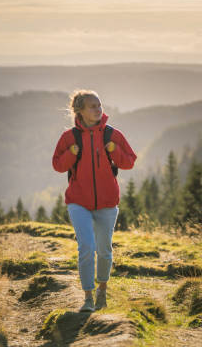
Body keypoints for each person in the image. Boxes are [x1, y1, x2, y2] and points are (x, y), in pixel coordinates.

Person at [52, 90, 137, 312]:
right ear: (80, 111)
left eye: (99, 105)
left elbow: (129, 161)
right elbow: (58, 165)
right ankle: (88, 296)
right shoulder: (70, 137)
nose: (98, 109)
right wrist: (71, 153)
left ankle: (102, 289)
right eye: (92, 106)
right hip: (78, 201)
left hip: (107, 202)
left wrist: (114, 150)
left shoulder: (111, 134)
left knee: (104, 249)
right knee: (87, 247)